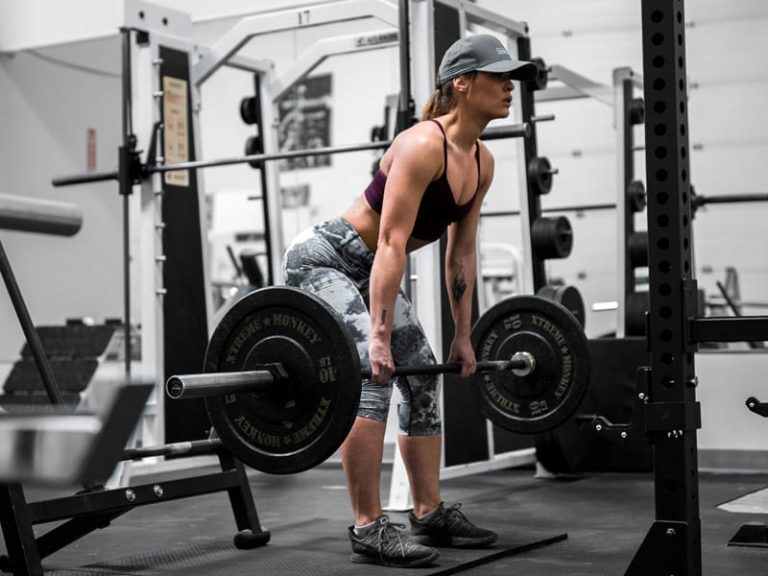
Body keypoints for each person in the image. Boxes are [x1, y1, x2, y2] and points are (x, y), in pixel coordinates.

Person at [282, 34, 537, 568]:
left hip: (371, 267)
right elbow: (392, 243)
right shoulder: (424, 145)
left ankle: (428, 511)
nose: (510, 86)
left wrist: (463, 334)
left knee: (420, 374)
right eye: (498, 76)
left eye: (512, 77)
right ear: (461, 84)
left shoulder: (481, 161)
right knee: (372, 380)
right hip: (326, 259)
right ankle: (369, 526)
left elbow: (460, 256)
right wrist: (376, 338)